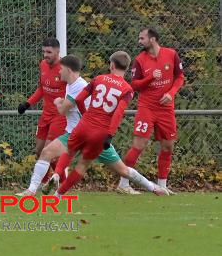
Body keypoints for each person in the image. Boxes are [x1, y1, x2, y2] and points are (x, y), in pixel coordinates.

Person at [16, 55, 168, 197]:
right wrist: (109, 134)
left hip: (83, 131)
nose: (59, 71)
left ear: (111, 65)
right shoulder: (78, 85)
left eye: (61, 69)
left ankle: (56, 183)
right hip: (95, 133)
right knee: (47, 153)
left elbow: (67, 108)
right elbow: (114, 112)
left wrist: (58, 103)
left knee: (120, 170)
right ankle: (33, 190)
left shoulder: (90, 82)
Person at [54, 51, 135, 197]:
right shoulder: (127, 89)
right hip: (101, 132)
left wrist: (86, 115)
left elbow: (79, 100)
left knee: (69, 151)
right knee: (82, 165)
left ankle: (56, 174)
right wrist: (109, 135)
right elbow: (117, 114)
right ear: (127, 68)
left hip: (85, 124)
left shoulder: (99, 79)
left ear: (111, 65)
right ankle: (58, 195)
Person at [117, 27, 184, 195]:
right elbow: (135, 84)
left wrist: (171, 93)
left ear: (152, 39)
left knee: (168, 146)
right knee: (139, 145)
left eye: (142, 38)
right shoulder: (140, 60)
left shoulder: (171, 54)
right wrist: (150, 77)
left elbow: (180, 77)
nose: (139, 41)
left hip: (166, 109)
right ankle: (123, 184)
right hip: (147, 108)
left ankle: (162, 185)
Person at [17, 38, 66, 182]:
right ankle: (45, 183)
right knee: (39, 152)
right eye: (44, 51)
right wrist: (27, 103)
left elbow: (75, 91)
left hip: (59, 116)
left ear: (58, 51)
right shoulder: (43, 64)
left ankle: (63, 184)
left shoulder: (65, 68)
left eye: (49, 52)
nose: (45, 55)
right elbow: (42, 89)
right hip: (46, 115)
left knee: (48, 152)